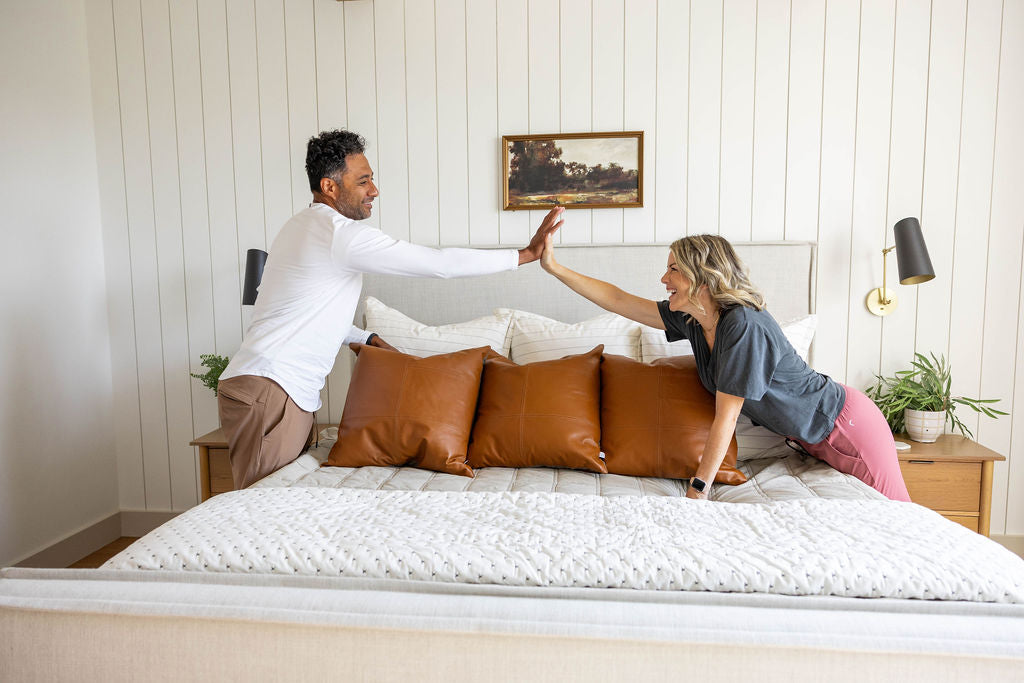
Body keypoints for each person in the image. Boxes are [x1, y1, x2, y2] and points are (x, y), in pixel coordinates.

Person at [218, 129, 564, 489]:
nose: (374, 191)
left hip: (275, 388)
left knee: (281, 508)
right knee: (265, 508)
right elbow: (438, 263)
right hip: (272, 389)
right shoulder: (340, 235)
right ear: (330, 187)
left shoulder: (301, 226)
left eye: (373, 179)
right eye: (363, 181)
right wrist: (522, 256)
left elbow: (304, 312)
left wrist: (366, 336)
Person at [540, 232, 911, 502]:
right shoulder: (695, 318)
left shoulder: (742, 325)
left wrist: (697, 489)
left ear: (702, 277)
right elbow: (619, 299)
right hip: (811, 439)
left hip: (846, 427)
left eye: (673, 269)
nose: (663, 279)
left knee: (898, 518)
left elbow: (726, 418)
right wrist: (554, 267)